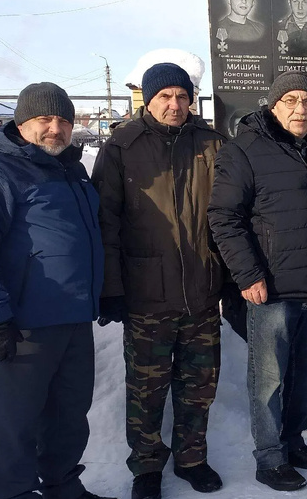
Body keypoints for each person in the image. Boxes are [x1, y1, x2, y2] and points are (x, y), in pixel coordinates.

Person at [0, 83, 112, 499]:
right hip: (20, 326)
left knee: (68, 417)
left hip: (73, 319)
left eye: (64, 120)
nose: (55, 128)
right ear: (21, 123)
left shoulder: (71, 170)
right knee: (15, 424)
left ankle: (62, 487)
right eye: (44, 119)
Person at [92, 63, 226, 499]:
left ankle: (192, 458)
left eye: (182, 96)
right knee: (147, 389)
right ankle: (147, 466)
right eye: (165, 96)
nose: (175, 105)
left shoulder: (211, 145)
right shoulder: (121, 147)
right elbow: (105, 222)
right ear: (148, 99)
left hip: (202, 293)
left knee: (199, 386)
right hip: (146, 294)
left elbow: (230, 216)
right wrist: (110, 288)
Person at [207, 71, 307, 491]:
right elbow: (224, 218)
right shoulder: (243, 150)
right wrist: (248, 275)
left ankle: (292, 440)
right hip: (271, 287)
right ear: (274, 104)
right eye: (291, 101)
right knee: (270, 378)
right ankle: (268, 457)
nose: (300, 109)